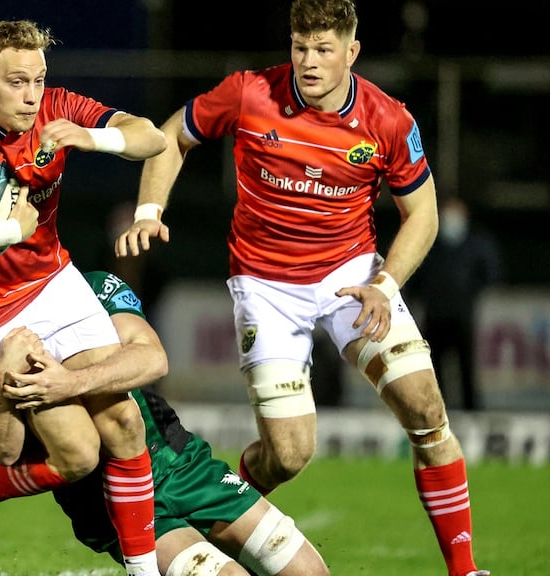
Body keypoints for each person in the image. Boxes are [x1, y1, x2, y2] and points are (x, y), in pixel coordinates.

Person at [113, 2, 488, 575]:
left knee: (426, 409)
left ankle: (465, 571)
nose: (308, 62)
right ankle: (222, 501)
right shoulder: (249, 93)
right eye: (299, 47)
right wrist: (148, 209)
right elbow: (174, 134)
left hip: (352, 274)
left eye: (323, 49)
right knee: (288, 455)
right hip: (265, 284)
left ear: (351, 53)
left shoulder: (388, 121)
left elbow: (425, 215)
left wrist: (385, 287)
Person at [0, 19, 167, 576]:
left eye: (39, 80)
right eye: (17, 82)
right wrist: (6, 231)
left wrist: (92, 136)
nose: (31, 95)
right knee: (76, 456)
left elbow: (152, 137)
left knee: (124, 423)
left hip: (53, 282)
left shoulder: (56, 108)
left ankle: (145, 574)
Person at [0, 270, 330, 576]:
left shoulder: (89, 288)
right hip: (104, 497)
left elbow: (152, 359)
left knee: (310, 572)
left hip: (176, 458)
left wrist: (69, 383)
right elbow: (3, 448)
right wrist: (5, 375)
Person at [410, 196, 503, 411]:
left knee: (466, 368)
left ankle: (472, 413)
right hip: (434, 317)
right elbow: (414, 279)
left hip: (463, 317)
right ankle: (437, 413)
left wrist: (472, 293)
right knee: (434, 370)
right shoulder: (429, 243)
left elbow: (491, 274)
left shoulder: (477, 244)